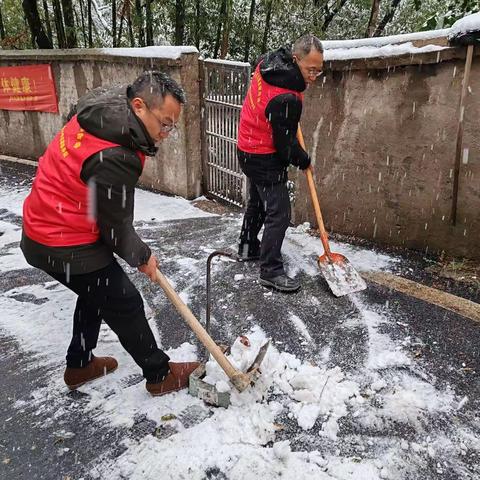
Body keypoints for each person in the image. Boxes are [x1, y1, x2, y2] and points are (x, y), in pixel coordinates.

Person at [21, 71, 199, 396]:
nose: (167, 133)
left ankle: (79, 365)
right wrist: (142, 257)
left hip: (46, 223)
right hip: (60, 238)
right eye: (165, 123)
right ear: (139, 105)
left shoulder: (103, 109)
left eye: (172, 125)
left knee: (96, 291)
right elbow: (115, 228)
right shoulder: (117, 155)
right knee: (124, 300)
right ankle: (159, 375)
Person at [236, 34, 324, 293]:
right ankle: (270, 270)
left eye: (319, 70)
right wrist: (304, 160)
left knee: (257, 202)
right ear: (295, 60)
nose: (314, 76)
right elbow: (284, 147)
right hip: (264, 156)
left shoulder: (268, 64)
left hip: (246, 146)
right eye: (311, 69)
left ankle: (247, 246)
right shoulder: (288, 98)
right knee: (279, 213)